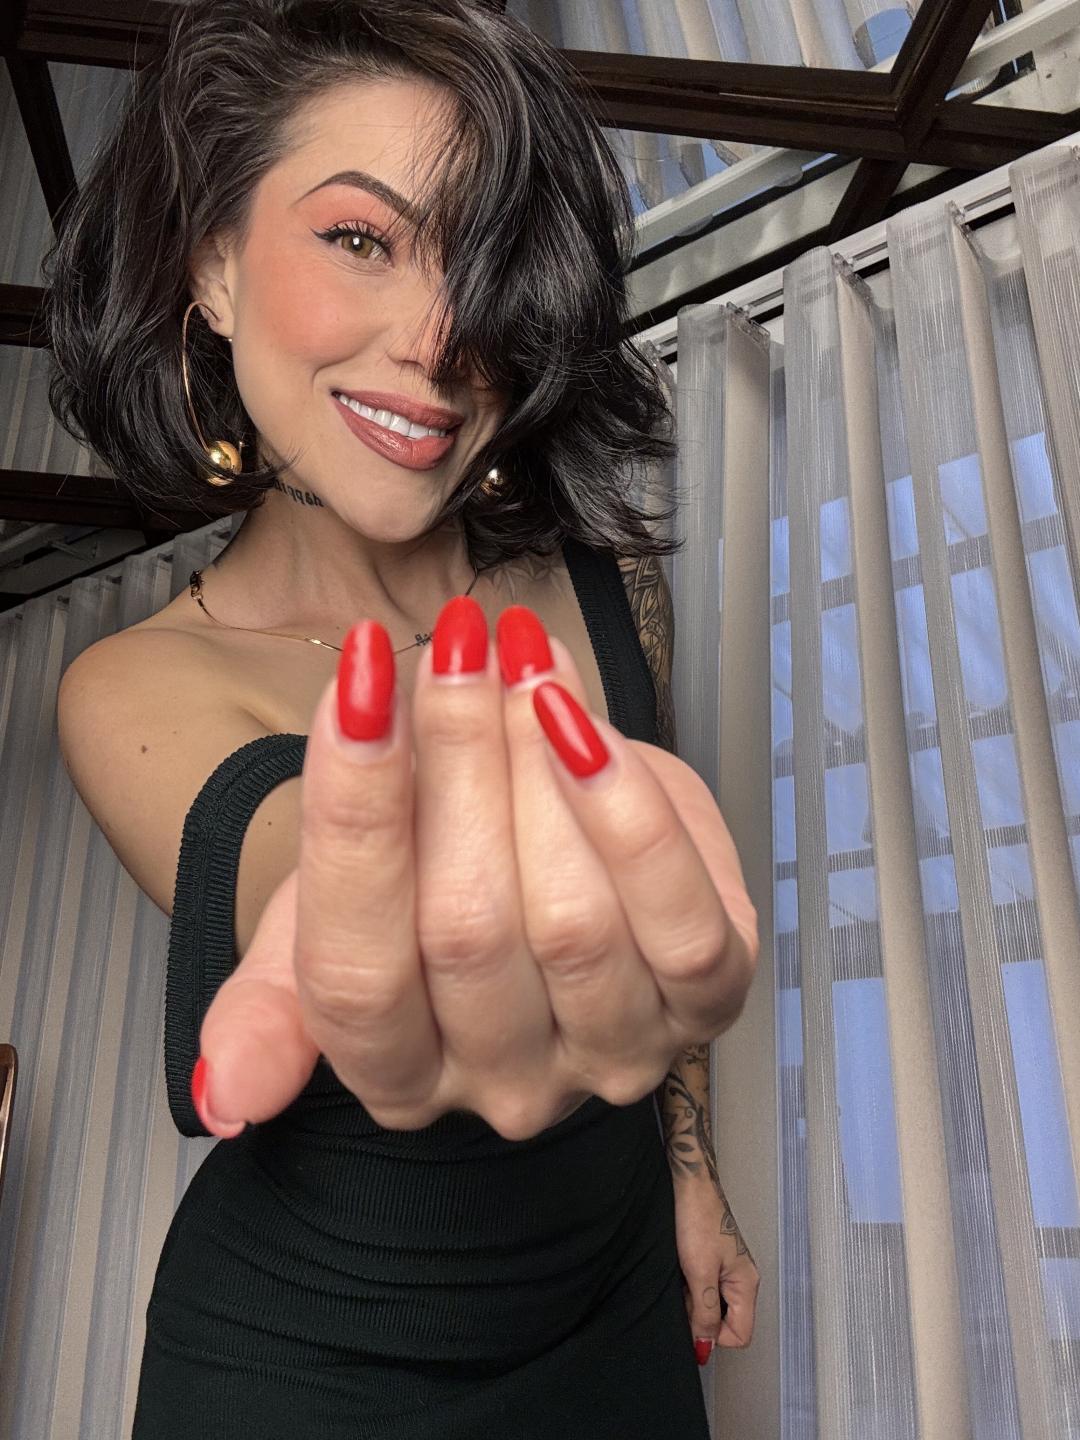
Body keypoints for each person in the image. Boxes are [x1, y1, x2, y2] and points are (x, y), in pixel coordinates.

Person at [49, 2, 760, 1434]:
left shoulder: (607, 587)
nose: (445, 343)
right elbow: (305, 869)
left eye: (488, 266)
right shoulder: (130, 687)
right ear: (214, 266)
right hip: (317, 1359)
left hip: (620, 1297)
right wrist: (389, 876)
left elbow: (637, 904)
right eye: (360, 239)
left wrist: (693, 1176)